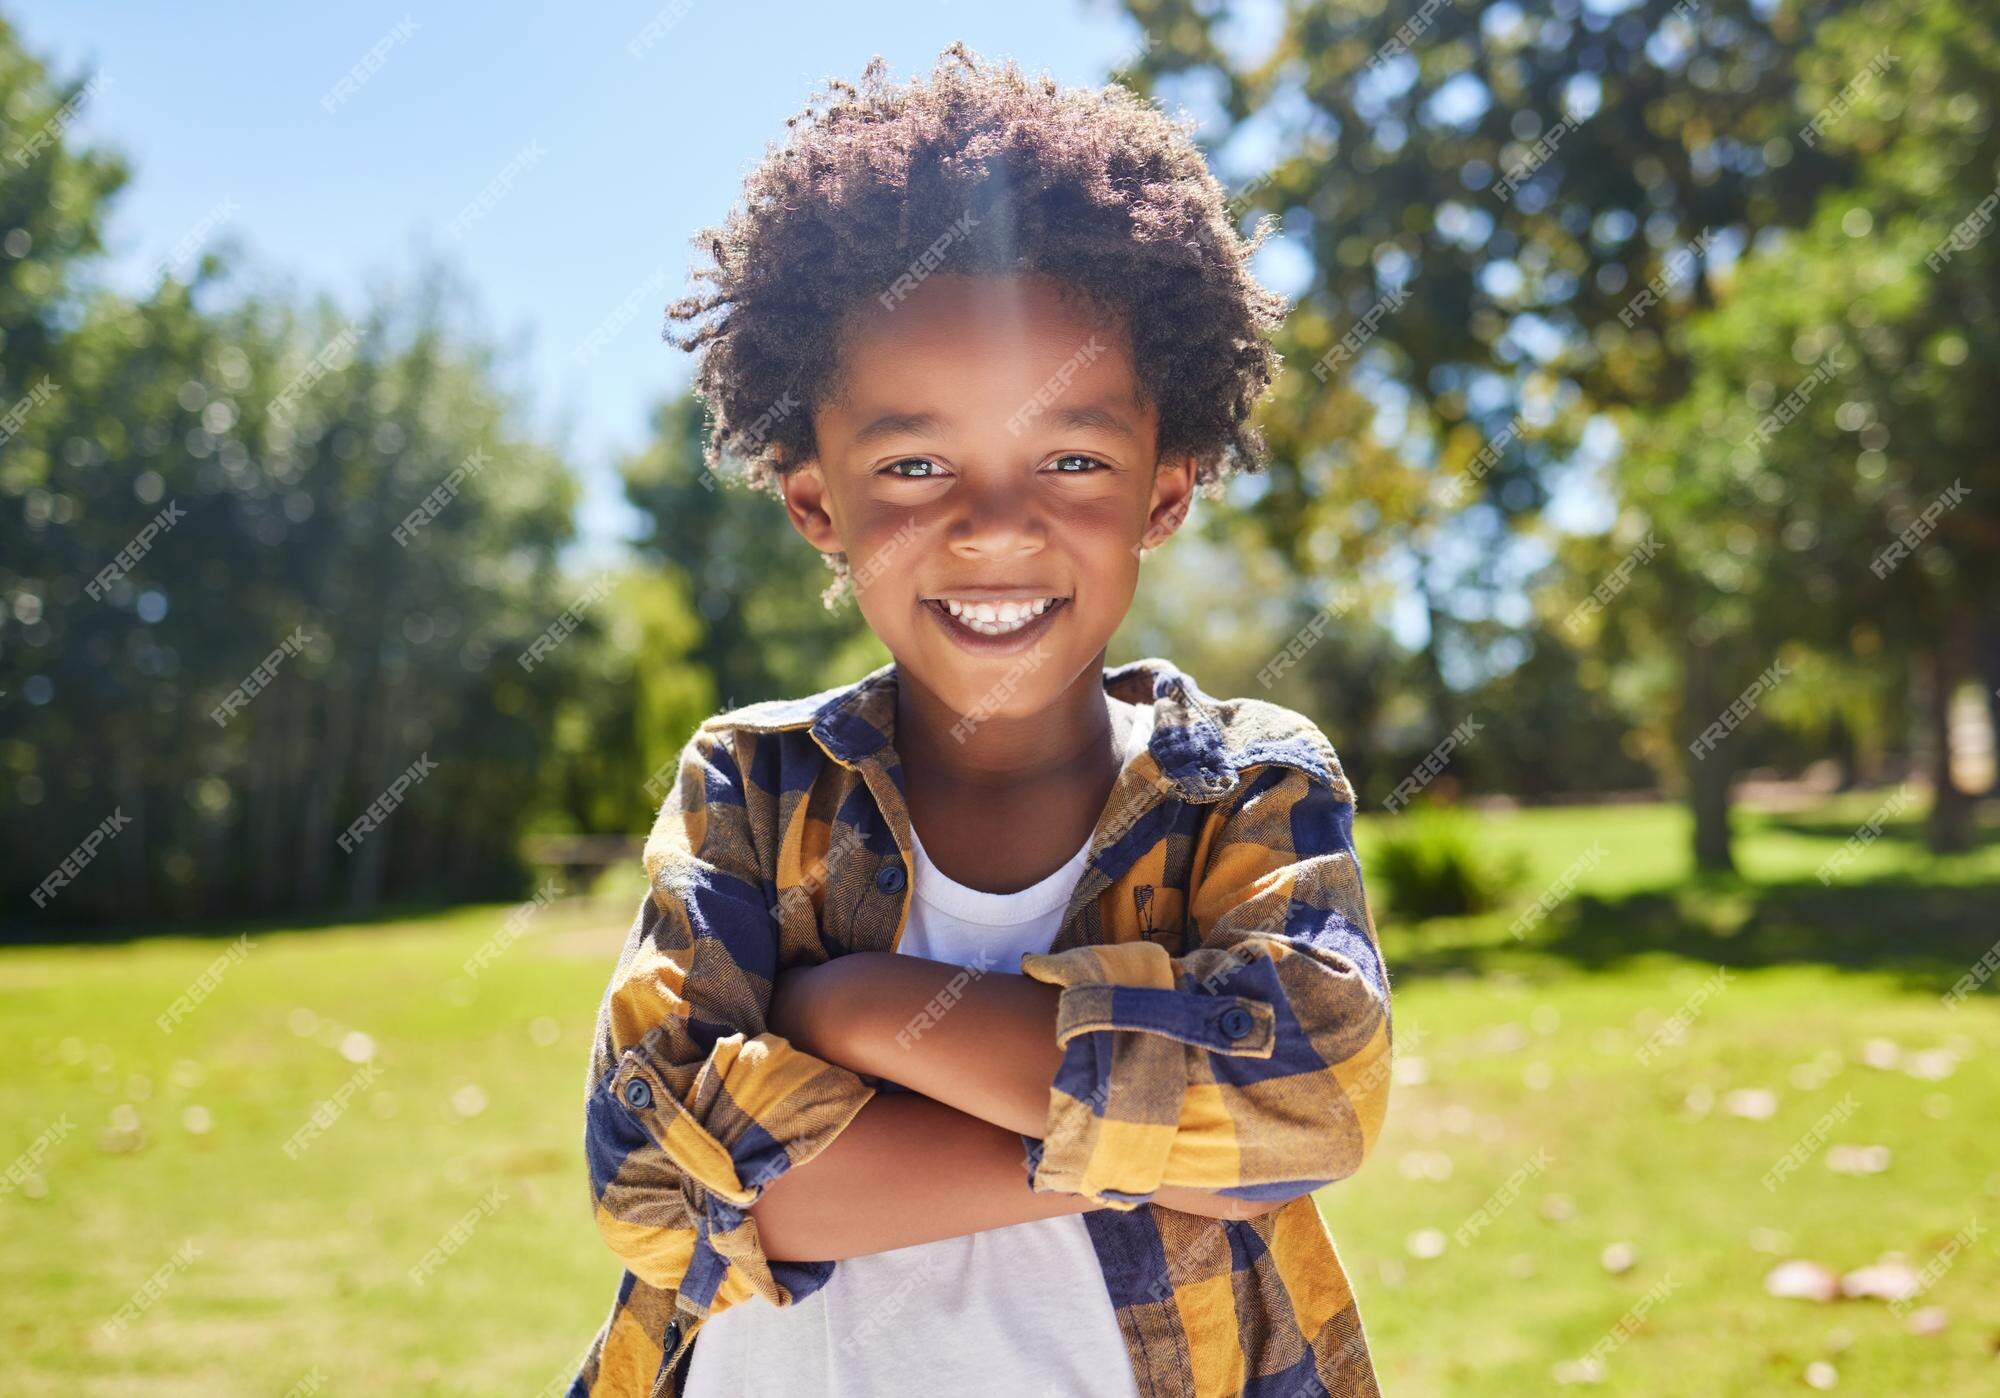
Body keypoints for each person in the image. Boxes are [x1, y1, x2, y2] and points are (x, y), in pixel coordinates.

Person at [572, 42, 1394, 1398]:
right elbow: (654, 1178)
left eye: (1073, 457)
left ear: (1164, 493)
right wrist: (1139, 1134)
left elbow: (1308, 1095)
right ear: (818, 505)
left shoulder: (1244, 786)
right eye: (915, 462)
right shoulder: (754, 782)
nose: (997, 522)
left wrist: (858, 1006)